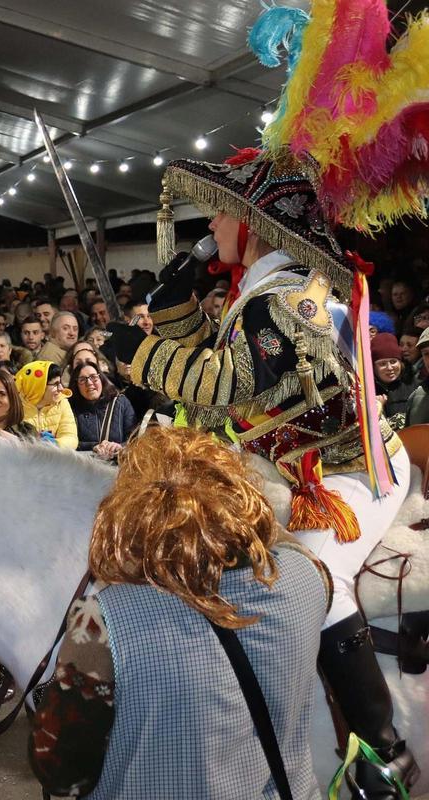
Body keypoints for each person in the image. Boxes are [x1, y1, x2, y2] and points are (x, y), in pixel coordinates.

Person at [107, 121, 422, 786]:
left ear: (256, 222)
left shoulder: (294, 297)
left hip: (347, 473)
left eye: (225, 213)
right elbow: (223, 382)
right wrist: (175, 314)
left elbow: (225, 384)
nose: (214, 225)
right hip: (286, 467)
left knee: (320, 580)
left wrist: (138, 354)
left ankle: (382, 747)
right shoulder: (260, 289)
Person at [30, 427, 331, 799]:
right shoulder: (309, 576)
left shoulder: (102, 620)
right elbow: (281, 543)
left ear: (129, 514)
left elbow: (61, 773)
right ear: (239, 495)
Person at [70, 363, 137, 460]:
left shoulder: (120, 402)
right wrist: (95, 446)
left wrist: (118, 447)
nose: (89, 383)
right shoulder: (71, 408)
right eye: (82, 380)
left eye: (93, 377)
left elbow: (133, 438)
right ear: (76, 385)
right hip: (85, 466)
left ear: (101, 379)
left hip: (118, 466)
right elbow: (70, 441)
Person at [15, 361, 78, 450]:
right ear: (38, 386)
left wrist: (55, 444)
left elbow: (71, 437)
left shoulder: (62, 402)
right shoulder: (15, 406)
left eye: (60, 383)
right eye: (55, 384)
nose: (61, 388)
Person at [372, 333, 414, 431]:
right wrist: (377, 409)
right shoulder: (368, 392)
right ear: (373, 367)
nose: (389, 368)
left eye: (393, 362)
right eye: (382, 364)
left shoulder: (414, 387)